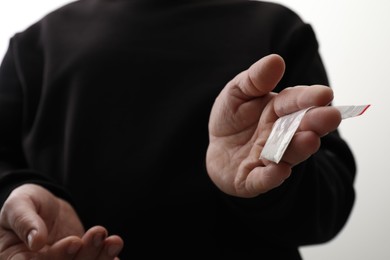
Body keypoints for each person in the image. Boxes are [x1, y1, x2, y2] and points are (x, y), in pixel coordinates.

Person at [0, 0, 357, 259]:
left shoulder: (276, 28)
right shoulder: (34, 45)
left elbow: (330, 206)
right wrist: (16, 196)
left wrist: (270, 171)